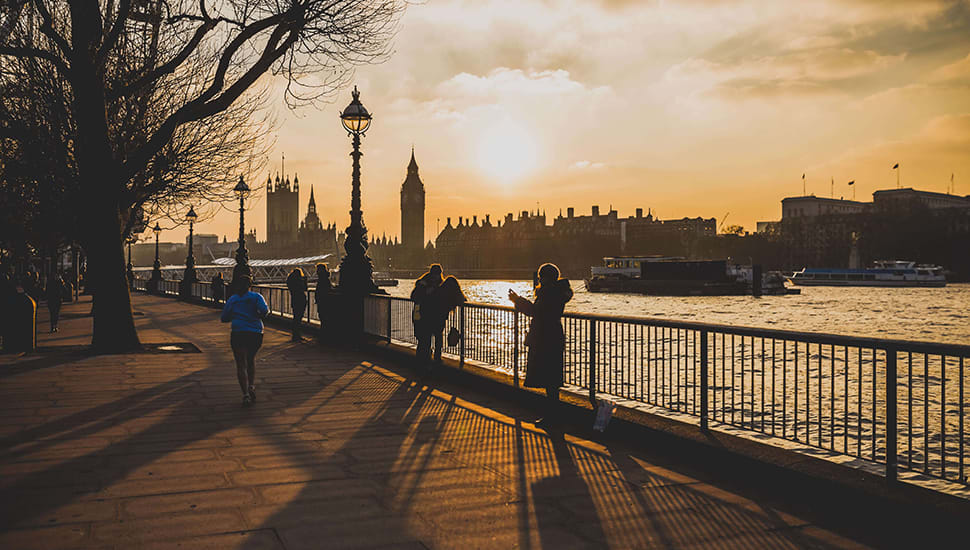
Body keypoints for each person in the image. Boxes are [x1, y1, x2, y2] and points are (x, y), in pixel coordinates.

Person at [509, 263, 573, 426]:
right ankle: (553, 416)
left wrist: (518, 300)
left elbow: (536, 312)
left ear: (544, 278)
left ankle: (552, 417)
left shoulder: (548, 293)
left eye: (540, 276)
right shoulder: (558, 292)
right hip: (554, 336)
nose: (539, 279)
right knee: (552, 379)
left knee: (548, 379)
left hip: (545, 337)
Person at [220, 276, 268, 407]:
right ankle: (251, 385)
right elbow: (264, 311)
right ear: (250, 285)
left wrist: (235, 316)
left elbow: (224, 318)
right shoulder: (257, 297)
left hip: (239, 332)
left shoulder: (233, 299)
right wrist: (256, 316)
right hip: (255, 333)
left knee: (240, 363)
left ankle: (245, 394)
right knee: (251, 359)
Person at [411, 264, 466, 369]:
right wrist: (425, 292)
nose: (437, 276)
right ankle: (423, 362)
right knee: (425, 340)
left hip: (437, 316)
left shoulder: (442, 284)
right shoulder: (423, 283)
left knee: (436, 338)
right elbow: (414, 297)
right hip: (425, 316)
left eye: (438, 274)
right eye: (435, 274)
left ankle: (435, 358)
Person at [285, 267, 308, 341]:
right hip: (301, 300)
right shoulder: (299, 281)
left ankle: (295, 335)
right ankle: (297, 335)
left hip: (294, 300)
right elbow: (305, 288)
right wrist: (304, 281)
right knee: (299, 318)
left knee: (296, 318)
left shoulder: (291, 282)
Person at [314, 263, 333, 343]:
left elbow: (320, 291)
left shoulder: (321, 279)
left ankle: (323, 337)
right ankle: (325, 337)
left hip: (322, 301)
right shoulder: (325, 278)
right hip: (325, 301)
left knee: (323, 318)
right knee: (325, 319)